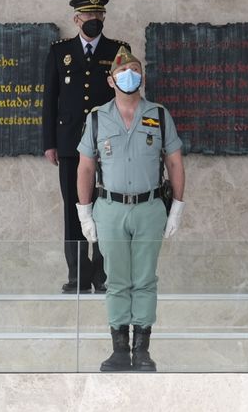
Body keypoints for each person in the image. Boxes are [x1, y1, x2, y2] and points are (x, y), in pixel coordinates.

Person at [75, 48, 186, 371]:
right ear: (111, 80)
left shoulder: (159, 115)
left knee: (145, 279)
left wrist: (177, 207)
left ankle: (143, 348)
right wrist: (84, 213)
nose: (129, 76)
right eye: (123, 73)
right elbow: (84, 168)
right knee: (117, 280)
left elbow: (175, 162)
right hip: (109, 208)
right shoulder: (97, 118)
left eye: (135, 70)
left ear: (143, 77)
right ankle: (120, 349)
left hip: (149, 207)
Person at [42, 0, 129, 294]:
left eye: (99, 15)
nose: (94, 20)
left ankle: (103, 276)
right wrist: (49, 143)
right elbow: (49, 100)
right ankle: (77, 276)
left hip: (108, 143)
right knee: (74, 209)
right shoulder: (59, 51)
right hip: (69, 144)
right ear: (76, 19)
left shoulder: (119, 50)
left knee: (106, 208)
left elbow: (127, 97)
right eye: (89, 16)